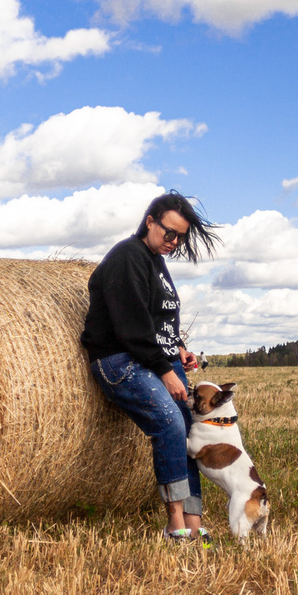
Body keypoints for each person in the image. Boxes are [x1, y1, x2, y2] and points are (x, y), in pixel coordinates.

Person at [83, 192, 219, 540]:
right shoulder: (128, 257)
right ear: (150, 222)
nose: (172, 242)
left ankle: (194, 522)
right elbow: (131, 326)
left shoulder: (156, 262)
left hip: (153, 358)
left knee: (187, 431)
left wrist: (180, 348)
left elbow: (160, 320)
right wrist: (164, 370)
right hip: (121, 360)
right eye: (168, 233)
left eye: (180, 238)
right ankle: (175, 528)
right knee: (171, 424)